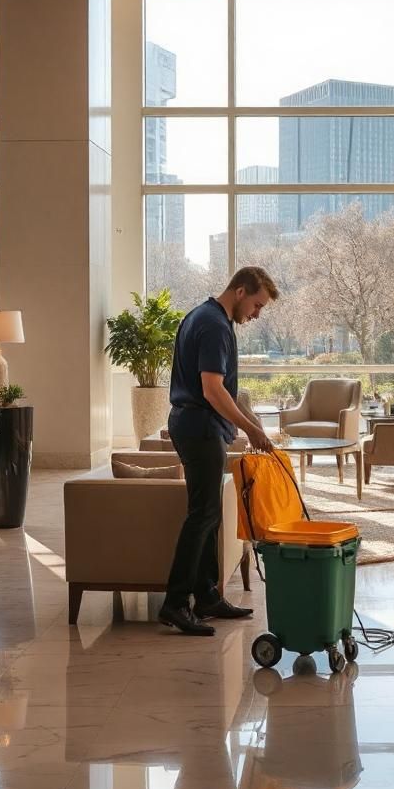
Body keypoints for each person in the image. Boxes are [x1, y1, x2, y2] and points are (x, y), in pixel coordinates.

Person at [158, 266, 278, 636]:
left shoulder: (204, 315)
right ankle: (175, 604)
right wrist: (251, 428)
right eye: (257, 305)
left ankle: (206, 594)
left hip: (196, 426)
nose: (256, 314)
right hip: (198, 429)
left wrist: (243, 426)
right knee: (202, 515)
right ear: (240, 291)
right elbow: (213, 390)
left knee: (210, 515)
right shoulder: (213, 325)